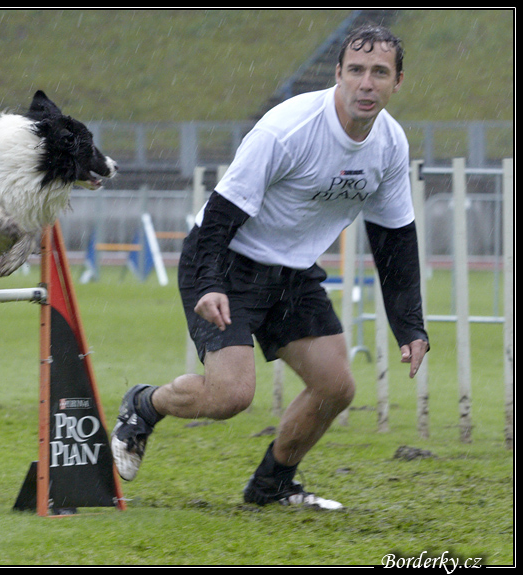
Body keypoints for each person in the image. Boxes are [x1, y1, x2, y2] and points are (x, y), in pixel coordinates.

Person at [111, 25, 429, 510]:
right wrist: (210, 282)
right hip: (225, 261)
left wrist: (410, 326)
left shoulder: (390, 144)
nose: (367, 84)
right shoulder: (289, 128)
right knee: (230, 396)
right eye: (357, 70)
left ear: (398, 82)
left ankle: (272, 486)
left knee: (336, 388)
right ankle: (144, 404)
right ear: (338, 73)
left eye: (380, 73)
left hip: (292, 274)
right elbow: (220, 214)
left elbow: (395, 239)